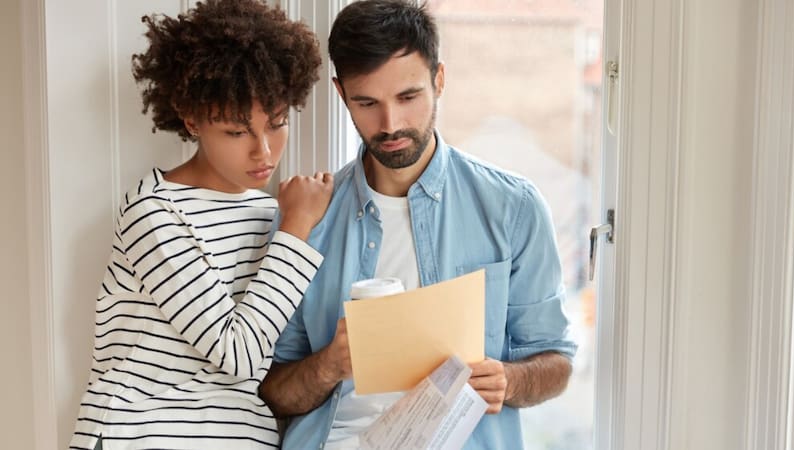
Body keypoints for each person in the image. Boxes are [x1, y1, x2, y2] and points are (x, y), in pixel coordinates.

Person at [258, 0, 577, 448]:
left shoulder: (512, 207)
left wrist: (509, 380)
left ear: (439, 80)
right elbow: (271, 390)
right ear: (341, 94)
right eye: (367, 103)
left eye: (408, 97)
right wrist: (328, 365)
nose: (390, 124)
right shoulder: (308, 219)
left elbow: (556, 362)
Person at [69, 1, 333, 449]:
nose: (264, 151)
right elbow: (238, 352)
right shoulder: (153, 213)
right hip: (139, 435)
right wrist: (296, 227)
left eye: (277, 124)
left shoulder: (273, 214)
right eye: (237, 132)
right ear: (191, 118)